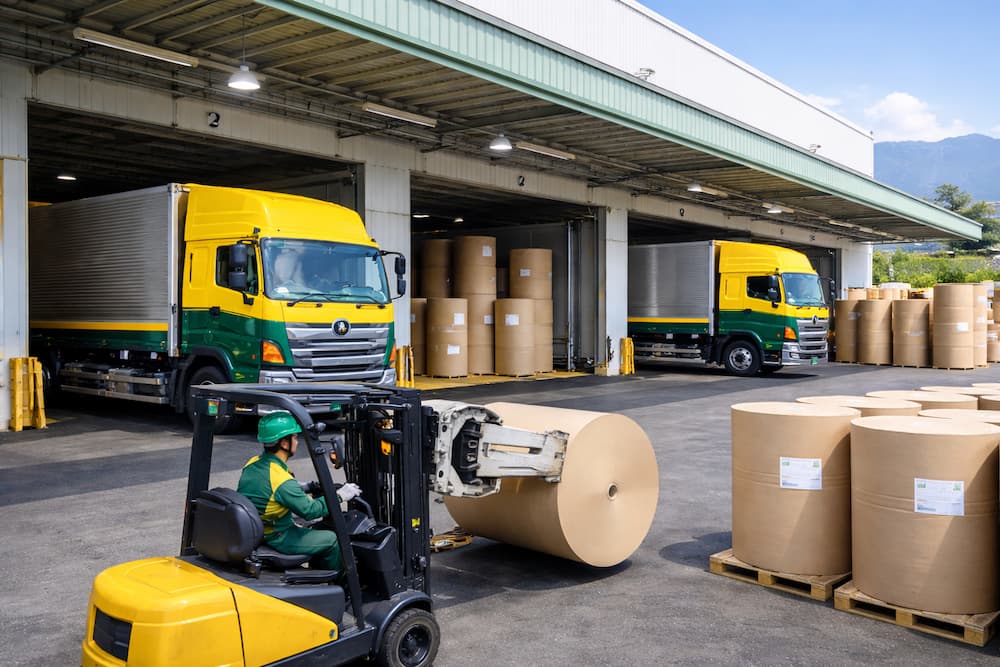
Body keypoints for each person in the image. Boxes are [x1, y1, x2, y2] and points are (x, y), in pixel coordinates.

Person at [237, 410, 362, 571]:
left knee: (316, 528)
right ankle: (338, 582)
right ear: (284, 443)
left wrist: (308, 486)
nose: (297, 441)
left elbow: (268, 488)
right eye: (295, 437)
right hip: (278, 537)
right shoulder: (282, 481)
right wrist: (340, 495)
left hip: (260, 529)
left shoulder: (254, 463)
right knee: (332, 538)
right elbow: (310, 511)